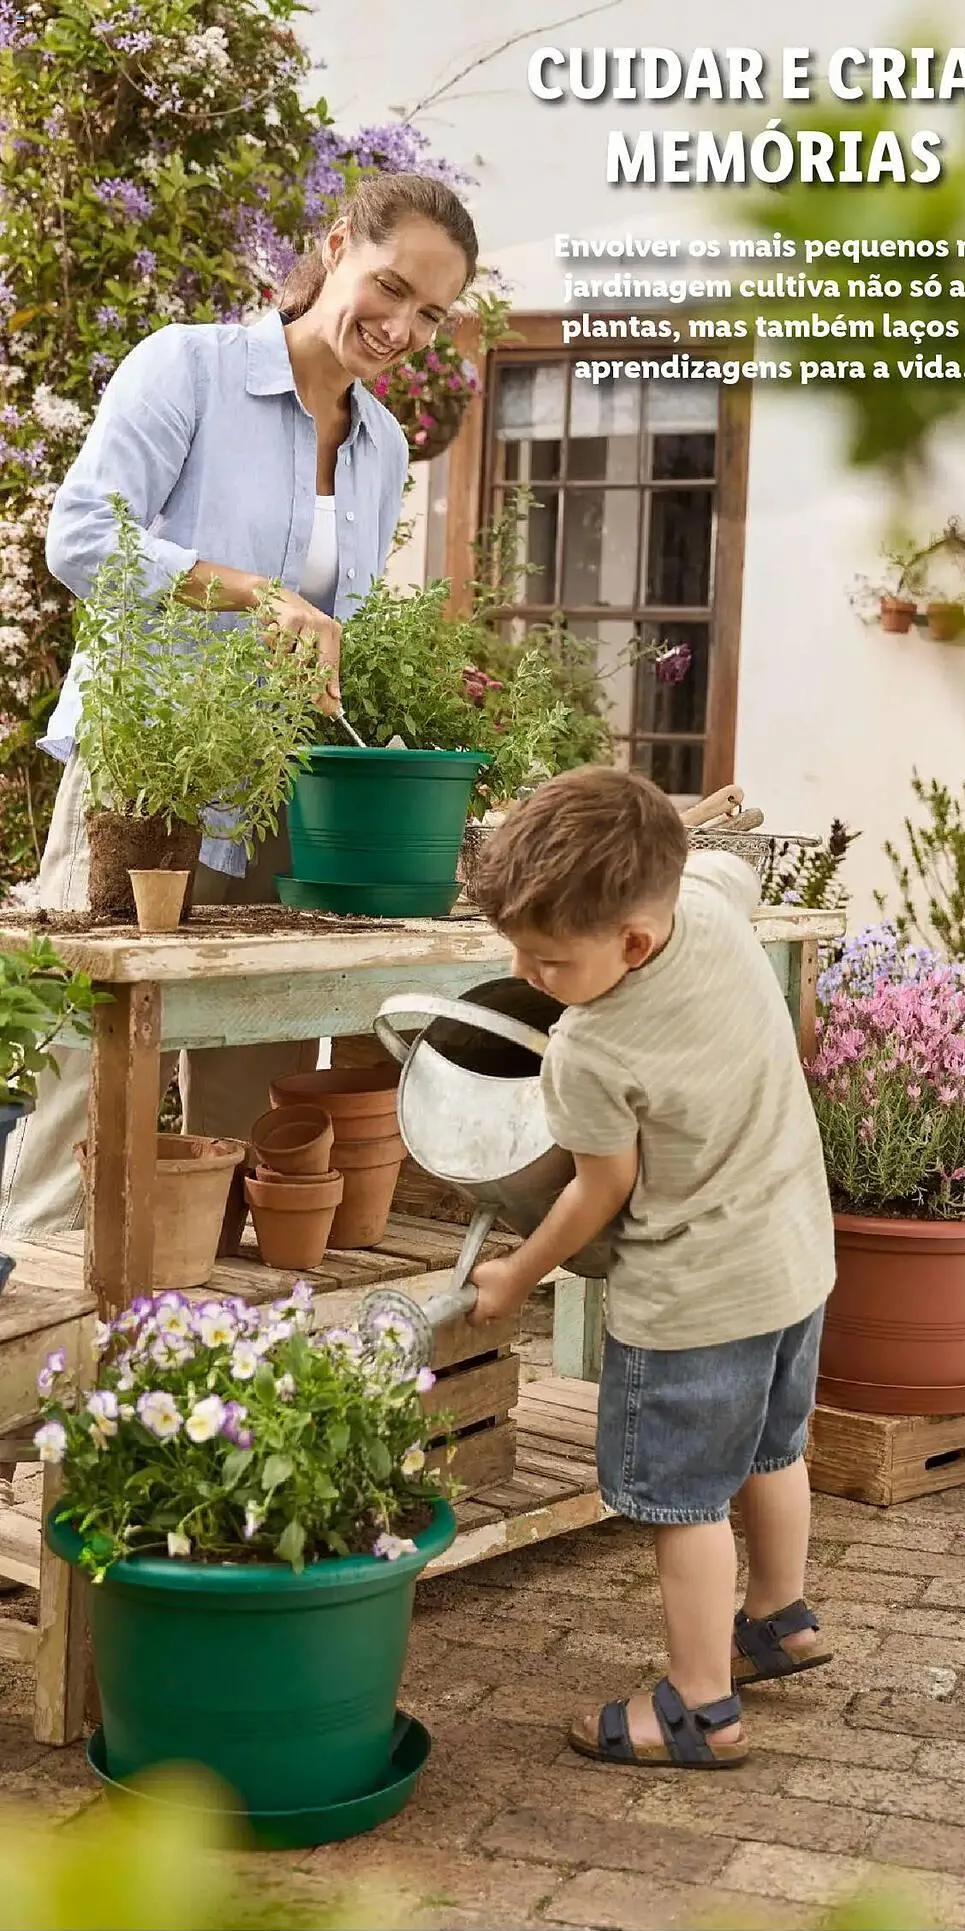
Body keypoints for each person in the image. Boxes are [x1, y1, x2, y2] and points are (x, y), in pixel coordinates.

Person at [0, 171, 477, 1241]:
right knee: (85, 1058)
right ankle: (26, 1336)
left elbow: (329, 623)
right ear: (338, 241)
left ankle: (202, 1348)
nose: (401, 327)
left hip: (271, 793)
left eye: (431, 314)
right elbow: (81, 538)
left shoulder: (383, 445)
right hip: (141, 774)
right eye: (389, 286)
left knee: (246, 1073)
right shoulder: (192, 369)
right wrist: (254, 592)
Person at [468, 766, 836, 1768]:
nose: (528, 972)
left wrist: (515, 1274)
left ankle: (700, 1708)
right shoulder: (707, 907)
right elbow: (723, 860)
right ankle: (779, 1616)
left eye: (547, 960)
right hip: (794, 1259)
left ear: (629, 941)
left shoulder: (587, 1047)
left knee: (685, 1503)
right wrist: (655, 829)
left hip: (694, 1299)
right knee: (771, 1445)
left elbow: (597, 1191)